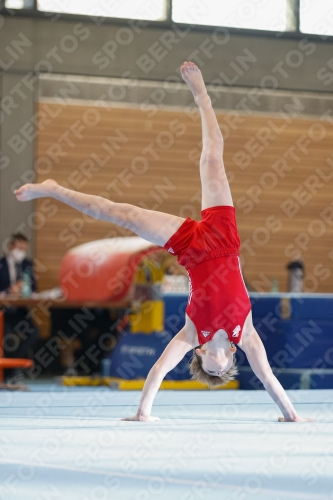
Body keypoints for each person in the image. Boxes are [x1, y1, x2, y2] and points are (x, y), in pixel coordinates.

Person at [14, 62, 313, 422]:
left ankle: (53, 189)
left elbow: (158, 370)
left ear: (200, 356)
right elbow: (268, 378)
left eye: (212, 371)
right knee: (212, 159)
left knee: (119, 213)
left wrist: (143, 413)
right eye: (226, 369)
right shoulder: (245, 334)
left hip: (190, 249)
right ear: (233, 358)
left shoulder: (190, 334)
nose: (221, 365)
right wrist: (292, 416)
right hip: (223, 238)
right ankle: (202, 95)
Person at [0, 232, 39, 379]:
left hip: (19, 312)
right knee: (8, 337)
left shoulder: (27, 265)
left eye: (24, 249)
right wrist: (9, 291)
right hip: (3, 313)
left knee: (34, 333)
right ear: (11, 246)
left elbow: (34, 289)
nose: (21, 252)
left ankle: (14, 367)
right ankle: (9, 370)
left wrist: (25, 289)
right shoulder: (1, 264)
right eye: (19, 248)